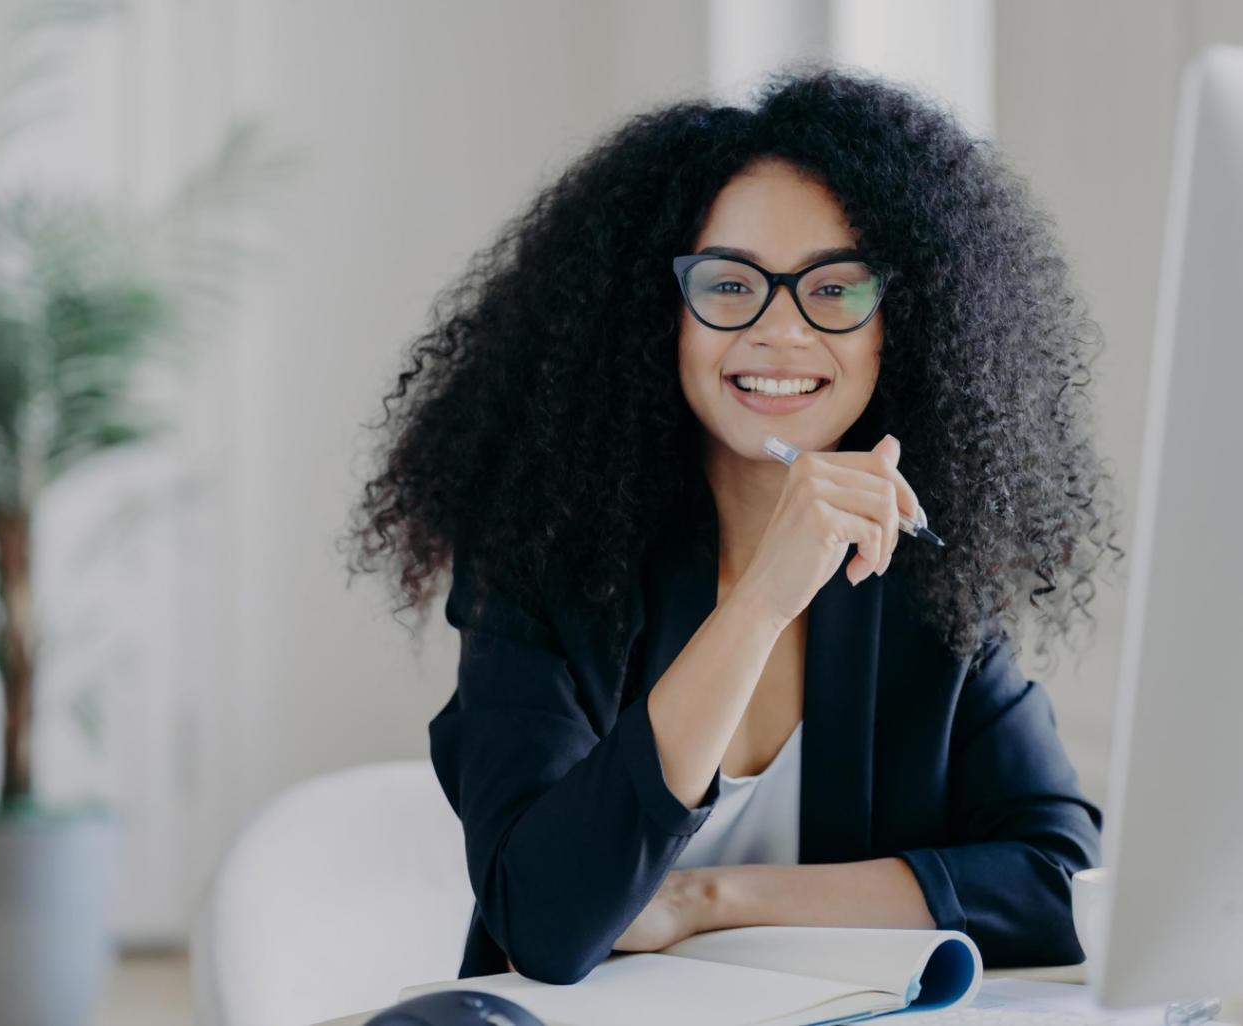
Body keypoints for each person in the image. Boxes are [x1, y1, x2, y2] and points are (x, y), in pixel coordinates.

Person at [345, 63, 1124, 986]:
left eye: (834, 289)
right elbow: (546, 919)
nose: (781, 333)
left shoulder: (922, 568)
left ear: (899, 324)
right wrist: (758, 604)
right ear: (654, 316)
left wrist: (706, 900)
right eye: (728, 285)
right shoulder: (542, 561)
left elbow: (1057, 880)